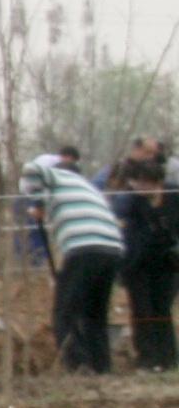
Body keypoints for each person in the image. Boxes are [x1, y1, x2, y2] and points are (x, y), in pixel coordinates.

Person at [24, 151, 126, 375]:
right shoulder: (87, 187)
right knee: (94, 314)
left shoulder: (58, 177)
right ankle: (101, 368)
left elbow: (31, 171)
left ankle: (78, 367)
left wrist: (37, 201)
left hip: (84, 246)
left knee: (64, 313)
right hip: (112, 249)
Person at [112, 138, 177, 372]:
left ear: (158, 183)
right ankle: (147, 359)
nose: (141, 188)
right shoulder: (132, 202)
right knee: (142, 311)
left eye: (146, 184)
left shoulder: (174, 197)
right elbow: (120, 222)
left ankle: (168, 358)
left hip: (167, 264)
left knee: (162, 309)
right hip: (137, 264)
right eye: (138, 183)